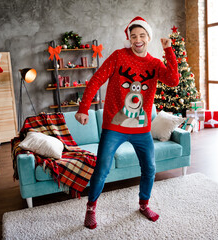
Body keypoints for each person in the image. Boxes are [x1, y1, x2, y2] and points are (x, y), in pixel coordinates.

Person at [75, 16, 179, 229]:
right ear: (129, 39)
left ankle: (143, 204)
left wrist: (169, 51)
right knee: (102, 168)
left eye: (142, 35)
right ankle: (91, 208)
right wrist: (84, 108)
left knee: (149, 168)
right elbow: (96, 80)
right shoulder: (118, 57)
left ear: (148, 38)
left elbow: (173, 80)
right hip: (114, 126)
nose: (137, 39)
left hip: (141, 129)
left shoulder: (155, 63)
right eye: (133, 36)